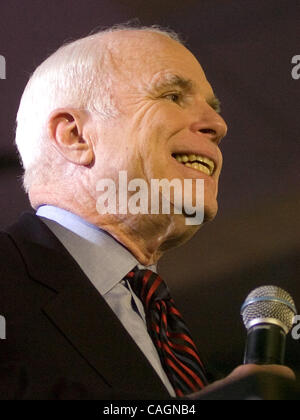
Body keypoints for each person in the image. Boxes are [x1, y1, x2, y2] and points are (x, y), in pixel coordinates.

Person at [0, 25, 294, 400]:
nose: (218, 126)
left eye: (213, 109)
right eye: (172, 95)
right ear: (75, 136)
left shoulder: (166, 329)